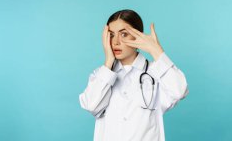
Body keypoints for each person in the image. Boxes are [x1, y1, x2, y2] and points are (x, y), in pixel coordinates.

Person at [79, 9, 189, 141]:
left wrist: (156, 51)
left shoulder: (157, 72)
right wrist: (108, 61)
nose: (116, 42)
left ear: (138, 36)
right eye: (111, 35)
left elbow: (179, 91)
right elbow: (91, 105)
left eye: (124, 34)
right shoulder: (102, 75)